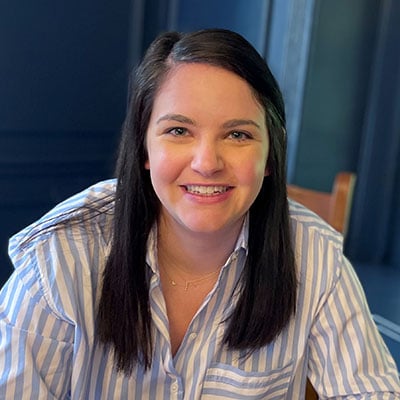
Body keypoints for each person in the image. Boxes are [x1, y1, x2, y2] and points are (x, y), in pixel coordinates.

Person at [0, 29, 399, 399]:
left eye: (238, 134)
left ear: (270, 157)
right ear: (143, 147)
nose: (207, 163)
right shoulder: (60, 257)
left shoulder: (314, 256)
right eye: (178, 131)